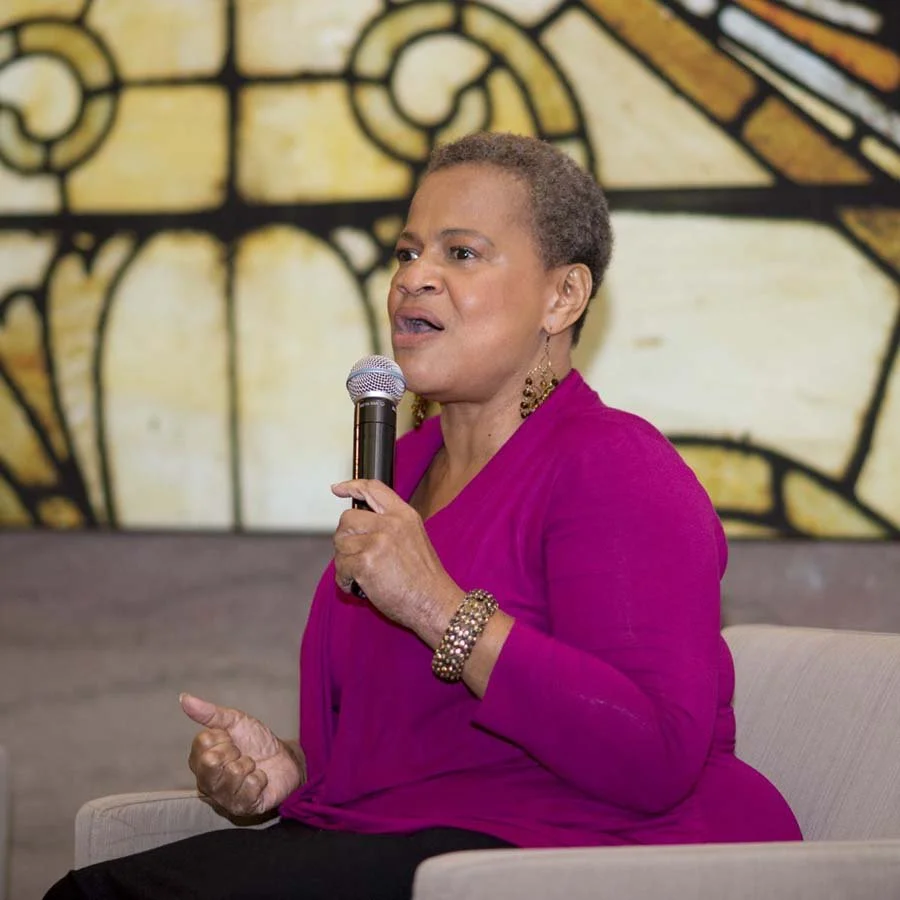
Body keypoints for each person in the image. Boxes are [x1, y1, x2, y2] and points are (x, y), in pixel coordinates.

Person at [45, 131, 800, 900]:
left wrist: (437, 608)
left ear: (562, 296)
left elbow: (653, 757)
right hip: (409, 840)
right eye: (407, 254)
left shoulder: (615, 466)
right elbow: (419, 747)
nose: (415, 279)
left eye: (462, 254)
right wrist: (294, 770)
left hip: (580, 855)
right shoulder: (399, 472)